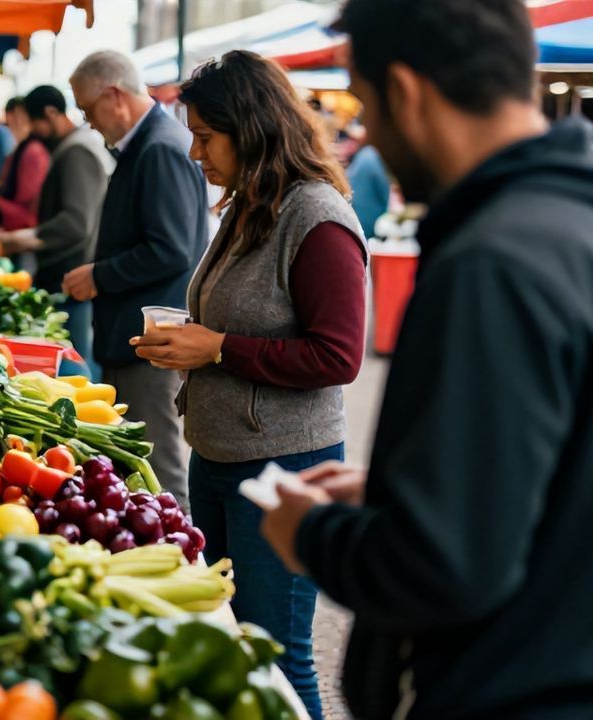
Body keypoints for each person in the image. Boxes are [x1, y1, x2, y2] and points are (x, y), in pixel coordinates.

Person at [258, 1, 593, 718]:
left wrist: (311, 535)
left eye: (366, 103)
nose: (365, 132)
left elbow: (446, 566)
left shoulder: (492, 262)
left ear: (406, 91)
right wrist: (410, 483)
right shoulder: (569, 223)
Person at [134, 50, 367, 719]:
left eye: (206, 137)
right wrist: (192, 347)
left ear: (253, 129)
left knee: (280, 653)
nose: (194, 152)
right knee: (232, 638)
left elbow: (339, 355)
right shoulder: (248, 206)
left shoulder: (317, 218)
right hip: (219, 456)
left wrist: (219, 349)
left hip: (283, 467)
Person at [62, 50, 208, 510]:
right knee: (140, 463)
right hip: (135, 333)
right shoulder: (146, 144)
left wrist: (100, 276)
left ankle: (184, 562)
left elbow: (172, 248)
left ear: (114, 96)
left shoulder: (161, 147)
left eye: (88, 110)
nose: (88, 123)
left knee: (157, 467)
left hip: (151, 339)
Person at [0, 85, 113, 376]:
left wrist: (19, 239)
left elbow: (76, 222)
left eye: (33, 123)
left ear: (50, 114)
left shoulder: (77, 152)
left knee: (74, 367)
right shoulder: (72, 148)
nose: (31, 132)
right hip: (70, 277)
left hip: (72, 278)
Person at [0, 96, 51, 232]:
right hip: (13, 226)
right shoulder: (20, 148)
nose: (20, 121)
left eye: (23, 115)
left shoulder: (33, 152)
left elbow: (27, 208)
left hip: (21, 230)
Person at [346, 135, 390, 238]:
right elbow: (384, 194)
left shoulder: (364, 154)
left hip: (353, 219)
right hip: (367, 223)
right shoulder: (374, 156)